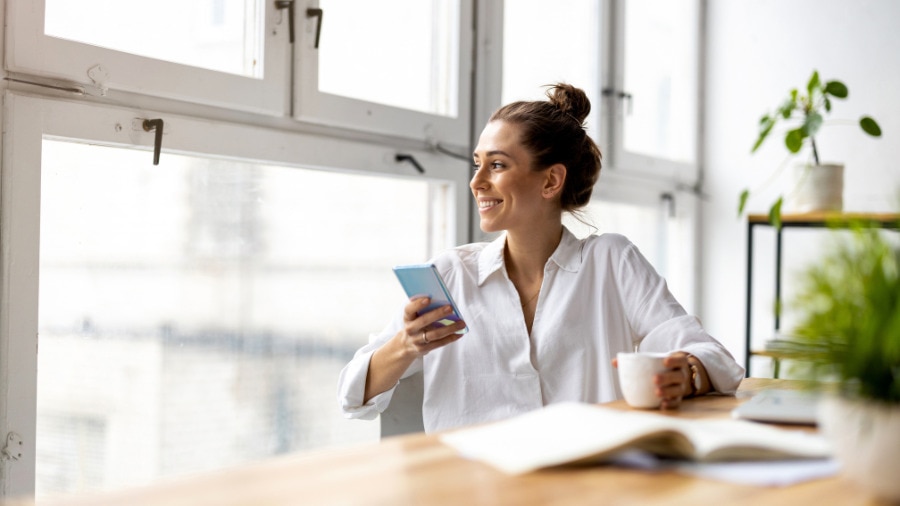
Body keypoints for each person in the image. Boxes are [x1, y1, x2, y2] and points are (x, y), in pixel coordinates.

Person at [338, 83, 744, 433]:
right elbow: (352, 392)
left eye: (497, 165)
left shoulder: (611, 262)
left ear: (551, 180)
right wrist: (406, 345)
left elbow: (713, 358)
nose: (477, 182)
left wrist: (687, 374)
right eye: (477, 164)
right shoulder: (450, 275)